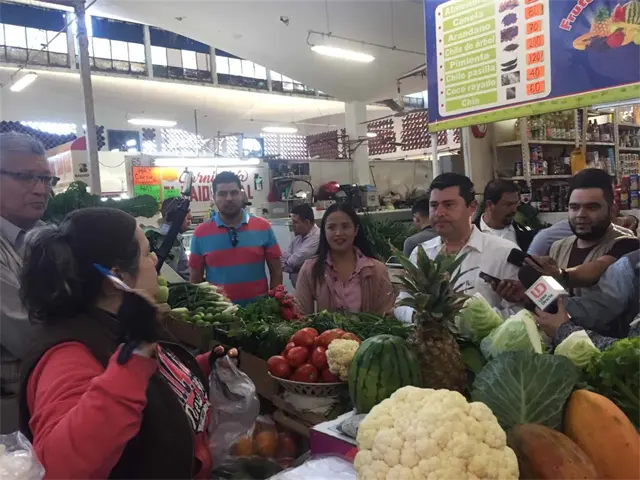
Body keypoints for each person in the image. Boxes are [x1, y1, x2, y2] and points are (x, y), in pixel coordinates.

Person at [18, 208, 237, 479]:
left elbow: (151, 391)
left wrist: (205, 367)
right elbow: (59, 468)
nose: (155, 259)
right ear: (116, 277)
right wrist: (135, 358)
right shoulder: (67, 357)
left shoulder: (121, 325)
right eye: (146, 253)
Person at [394, 173, 521, 323]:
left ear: (472, 207)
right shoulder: (421, 253)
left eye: (449, 205)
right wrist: (418, 317)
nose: (439, 213)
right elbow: (401, 304)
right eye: (434, 205)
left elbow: (520, 311)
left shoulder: (504, 253)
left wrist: (476, 320)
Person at [0, 132, 57, 433]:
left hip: (42, 394)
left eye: (46, 179)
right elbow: (26, 334)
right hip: (10, 409)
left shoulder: (44, 236)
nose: (40, 189)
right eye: (25, 177)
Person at [527, 169, 640, 295]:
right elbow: (550, 297)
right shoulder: (557, 248)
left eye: (592, 207)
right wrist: (525, 295)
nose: (581, 214)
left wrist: (560, 275)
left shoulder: (628, 244)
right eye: (574, 207)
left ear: (612, 210)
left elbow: (599, 268)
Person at [189, 171, 283, 305]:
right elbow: (195, 281)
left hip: (259, 313)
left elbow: (277, 271)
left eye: (234, 193)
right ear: (214, 197)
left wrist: (274, 304)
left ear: (242, 194)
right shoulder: (200, 233)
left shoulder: (263, 227)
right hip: (220, 313)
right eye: (222, 194)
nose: (229, 198)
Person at [295, 203, 395, 315]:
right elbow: (300, 316)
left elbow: (386, 315)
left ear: (356, 230)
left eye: (345, 226)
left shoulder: (377, 270)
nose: (338, 233)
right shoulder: (310, 269)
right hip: (324, 328)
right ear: (324, 231)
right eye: (331, 227)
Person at [473, 179, 536, 251]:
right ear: (489, 205)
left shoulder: (527, 235)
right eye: (508, 204)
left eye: (516, 204)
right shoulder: (469, 235)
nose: (514, 209)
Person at [145, 197, 191, 280]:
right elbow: (183, 275)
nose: (189, 222)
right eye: (187, 218)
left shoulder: (154, 237)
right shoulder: (172, 242)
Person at [281, 203, 320, 288]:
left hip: (312, 288)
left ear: (307, 222)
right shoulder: (297, 239)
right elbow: (283, 260)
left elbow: (295, 261)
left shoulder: (317, 238)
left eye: (295, 222)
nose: (292, 225)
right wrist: (291, 266)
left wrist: (289, 264)